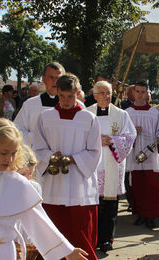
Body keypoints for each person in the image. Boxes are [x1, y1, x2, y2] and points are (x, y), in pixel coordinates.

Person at [0, 118, 88, 260]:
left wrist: (67, 251)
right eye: (4, 153)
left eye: (14, 153)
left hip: (4, 253)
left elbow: (39, 222)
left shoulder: (18, 184)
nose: (10, 160)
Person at [33, 73, 101, 260]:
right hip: (53, 185)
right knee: (54, 232)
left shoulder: (88, 119)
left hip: (79, 185)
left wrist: (73, 159)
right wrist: (50, 156)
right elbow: (37, 147)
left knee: (79, 233)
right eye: (62, 96)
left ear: (78, 94)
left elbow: (95, 151)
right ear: (56, 92)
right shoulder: (45, 117)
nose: (66, 101)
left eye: (70, 96)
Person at [86, 81, 136, 252]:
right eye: (102, 93)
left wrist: (112, 141)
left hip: (111, 164)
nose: (106, 96)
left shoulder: (121, 115)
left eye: (108, 93)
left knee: (110, 203)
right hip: (92, 165)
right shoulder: (86, 114)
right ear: (94, 95)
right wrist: (95, 141)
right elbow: (78, 137)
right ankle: (92, 238)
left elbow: (130, 136)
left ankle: (107, 239)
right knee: (93, 204)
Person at [125, 82, 159, 229]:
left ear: (147, 93)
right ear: (133, 93)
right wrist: (132, 131)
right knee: (138, 187)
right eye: (138, 91)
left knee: (151, 186)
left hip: (151, 154)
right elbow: (121, 133)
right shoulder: (127, 113)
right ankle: (140, 214)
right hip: (134, 155)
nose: (140, 94)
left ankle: (150, 216)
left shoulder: (154, 113)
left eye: (143, 92)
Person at [14, 62, 85, 147]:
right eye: (51, 77)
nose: (55, 81)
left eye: (58, 78)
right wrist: (37, 137)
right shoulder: (30, 104)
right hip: (37, 157)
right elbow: (16, 130)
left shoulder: (77, 105)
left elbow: (85, 132)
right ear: (43, 79)